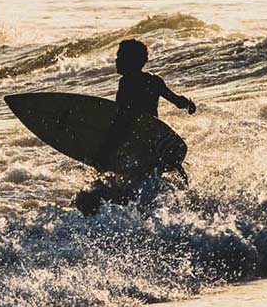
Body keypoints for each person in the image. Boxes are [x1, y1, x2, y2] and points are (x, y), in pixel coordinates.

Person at [73, 39, 197, 215]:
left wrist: (104, 152)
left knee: (121, 188)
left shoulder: (126, 83)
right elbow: (177, 101)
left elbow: (122, 119)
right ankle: (187, 201)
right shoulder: (154, 81)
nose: (116, 60)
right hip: (155, 139)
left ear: (131, 61)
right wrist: (189, 105)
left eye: (120, 57)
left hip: (135, 141)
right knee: (157, 177)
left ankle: (118, 212)